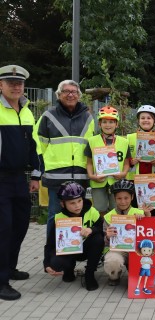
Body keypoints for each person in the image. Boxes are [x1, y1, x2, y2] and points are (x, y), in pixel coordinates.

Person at [0, 65, 40, 300]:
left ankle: (10, 267)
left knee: (20, 226)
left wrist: (36, 174)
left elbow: (33, 145)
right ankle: (1, 280)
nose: (16, 86)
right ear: (1, 85)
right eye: (10, 82)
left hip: (19, 179)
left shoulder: (26, 110)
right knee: (3, 229)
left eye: (19, 83)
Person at [35, 80, 95, 236]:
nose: (70, 94)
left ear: (79, 95)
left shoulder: (88, 118)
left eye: (74, 92)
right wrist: (41, 169)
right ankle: (51, 256)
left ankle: (74, 253)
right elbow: (38, 146)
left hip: (81, 176)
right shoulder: (48, 116)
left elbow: (93, 146)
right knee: (55, 216)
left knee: (79, 216)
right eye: (66, 91)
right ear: (59, 95)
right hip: (56, 177)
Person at [44, 181, 104, 291]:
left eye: (79, 201)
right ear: (63, 204)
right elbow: (50, 244)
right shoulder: (58, 218)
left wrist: (91, 229)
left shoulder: (92, 211)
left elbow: (101, 228)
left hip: (86, 248)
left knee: (98, 239)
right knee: (55, 264)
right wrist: (46, 264)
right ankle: (69, 269)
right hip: (69, 251)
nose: (77, 205)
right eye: (72, 203)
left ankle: (89, 274)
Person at [85, 106, 131, 214]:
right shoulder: (92, 141)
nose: (108, 125)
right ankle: (101, 230)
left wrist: (123, 173)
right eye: (104, 122)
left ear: (117, 124)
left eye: (111, 122)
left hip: (117, 181)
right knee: (99, 209)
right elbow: (89, 162)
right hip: (98, 181)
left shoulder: (124, 142)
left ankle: (114, 230)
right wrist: (91, 176)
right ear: (99, 124)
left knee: (117, 208)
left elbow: (126, 162)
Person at [103, 180, 149, 286]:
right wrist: (108, 236)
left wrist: (145, 217)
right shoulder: (108, 216)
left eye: (126, 198)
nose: (123, 201)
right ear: (114, 198)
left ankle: (133, 271)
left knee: (144, 267)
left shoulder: (140, 213)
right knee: (112, 261)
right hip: (119, 250)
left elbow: (150, 234)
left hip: (138, 249)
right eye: (119, 198)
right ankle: (114, 276)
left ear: (132, 197)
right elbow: (105, 242)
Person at [127, 105, 155, 182]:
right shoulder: (129, 138)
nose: (145, 120)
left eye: (149, 118)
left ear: (154, 121)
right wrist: (131, 162)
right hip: (133, 181)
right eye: (142, 118)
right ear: (138, 121)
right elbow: (123, 161)